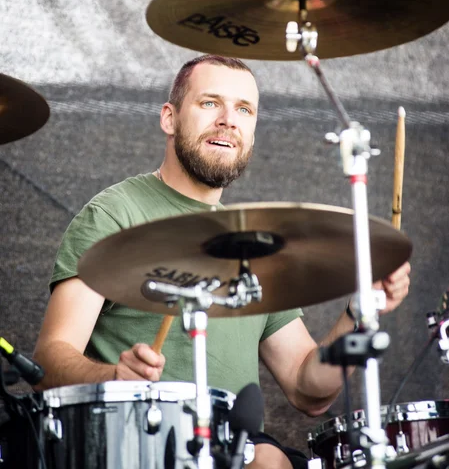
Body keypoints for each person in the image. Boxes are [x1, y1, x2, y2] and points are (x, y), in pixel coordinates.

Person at [33, 54, 411, 469]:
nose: (229, 120)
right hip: (142, 441)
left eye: (244, 109)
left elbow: (308, 388)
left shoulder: (251, 241)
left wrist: (358, 312)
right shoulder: (114, 214)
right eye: (210, 103)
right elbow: (50, 359)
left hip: (237, 445)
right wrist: (114, 380)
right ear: (169, 118)